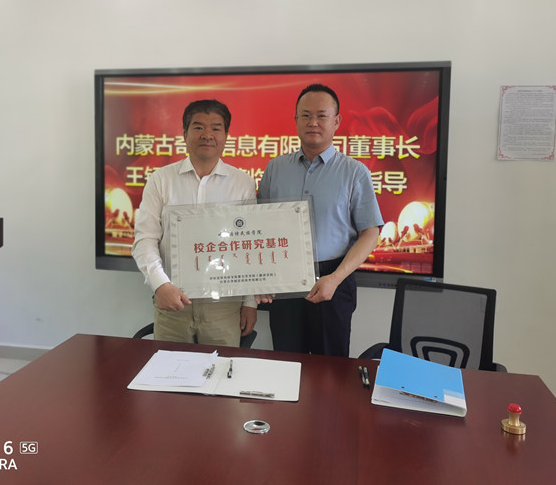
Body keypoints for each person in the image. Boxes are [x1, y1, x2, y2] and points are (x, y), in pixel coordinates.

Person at [257, 84, 383, 357]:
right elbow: (260, 225)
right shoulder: (275, 168)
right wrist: (261, 278)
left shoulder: (354, 172)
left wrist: (335, 279)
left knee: (330, 368)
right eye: (305, 115)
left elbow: (370, 233)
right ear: (296, 120)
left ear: (336, 121)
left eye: (321, 116)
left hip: (334, 278)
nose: (313, 122)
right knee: (287, 362)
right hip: (285, 279)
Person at [132, 99, 258, 347]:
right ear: (185, 134)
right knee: (170, 368)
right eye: (198, 127)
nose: (207, 135)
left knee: (221, 368)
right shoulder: (161, 180)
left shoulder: (242, 183)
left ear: (226, 136)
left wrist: (250, 302)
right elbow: (145, 239)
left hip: (223, 304)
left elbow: (249, 246)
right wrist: (161, 285)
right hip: (172, 299)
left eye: (216, 128)